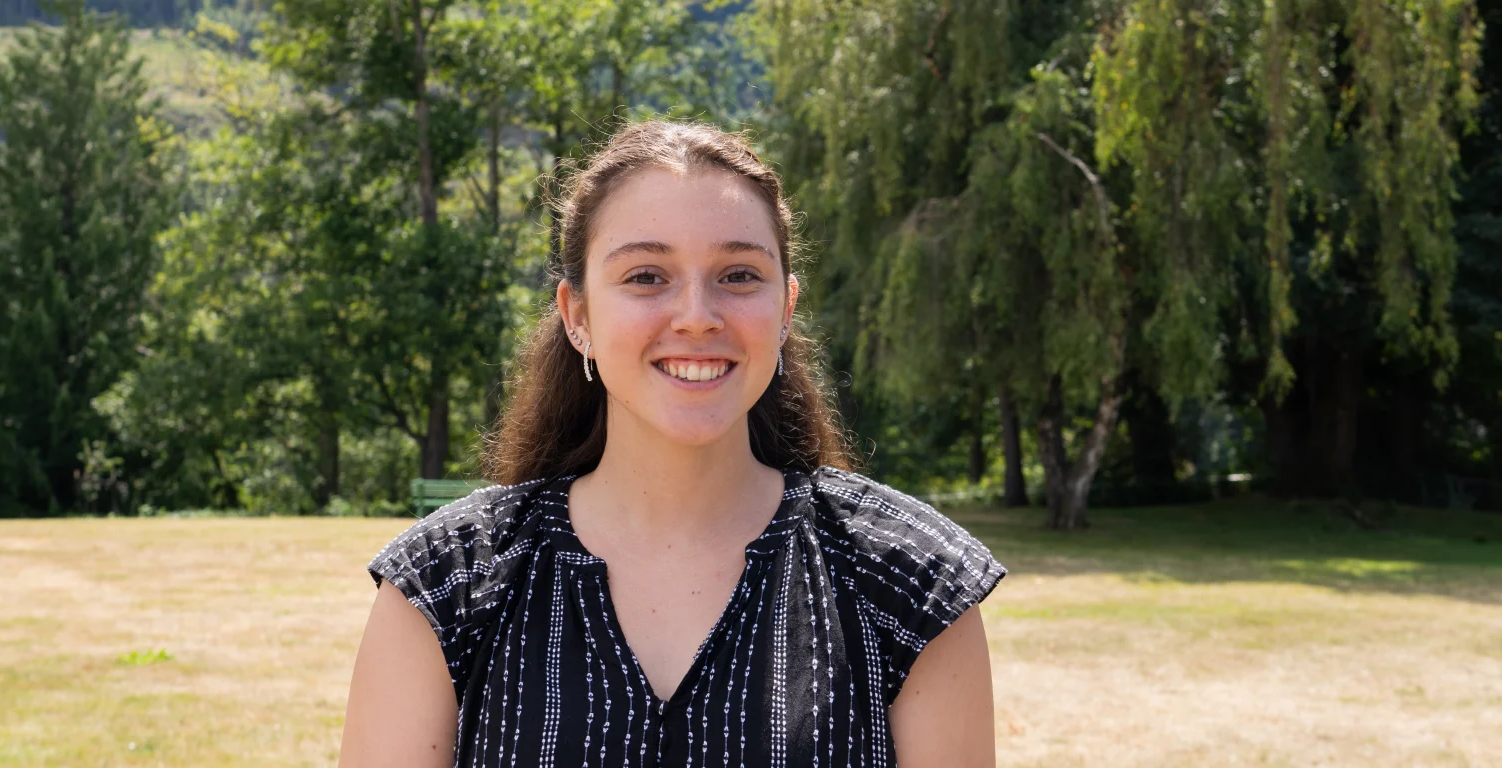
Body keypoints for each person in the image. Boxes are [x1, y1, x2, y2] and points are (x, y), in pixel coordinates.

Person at [338, 119, 1004, 767]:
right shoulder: (445, 585)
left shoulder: (911, 582)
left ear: (785, 311)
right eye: (646, 277)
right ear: (578, 317)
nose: (696, 316)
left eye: (739, 275)